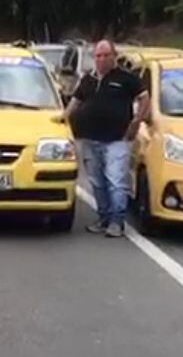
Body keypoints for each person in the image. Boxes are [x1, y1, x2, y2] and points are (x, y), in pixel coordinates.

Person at [59, 40, 149, 238]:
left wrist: (136, 122)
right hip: (90, 139)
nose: (101, 59)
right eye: (98, 56)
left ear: (113, 56)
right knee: (97, 182)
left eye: (105, 55)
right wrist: (62, 118)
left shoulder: (126, 78)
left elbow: (144, 98)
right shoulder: (88, 79)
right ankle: (103, 218)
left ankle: (117, 222)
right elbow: (76, 101)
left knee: (116, 180)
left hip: (117, 139)